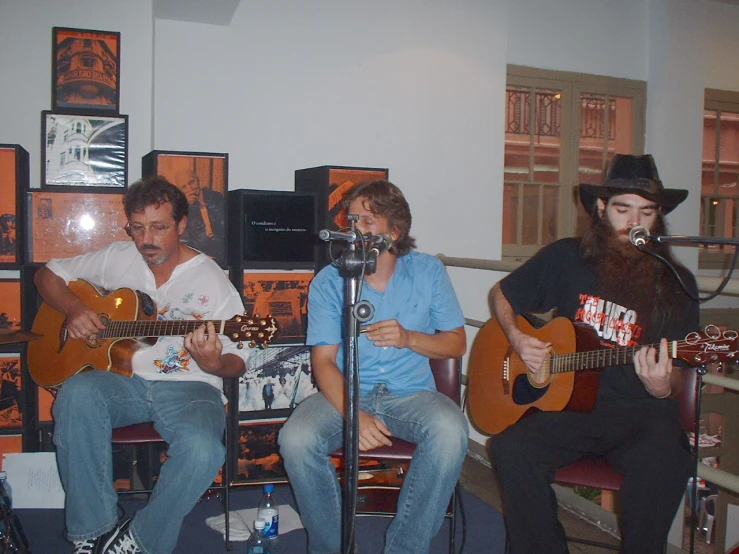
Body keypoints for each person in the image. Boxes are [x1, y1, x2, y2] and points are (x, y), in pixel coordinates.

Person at [488, 154, 699, 553]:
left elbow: (680, 373)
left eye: (646, 211)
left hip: (641, 414)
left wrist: (661, 386)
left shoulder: (677, 282)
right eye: (623, 209)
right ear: (601, 209)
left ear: (658, 217)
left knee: (667, 460)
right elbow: (503, 293)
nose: (634, 223)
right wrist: (516, 337)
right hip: (570, 407)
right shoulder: (566, 257)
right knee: (510, 447)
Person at [34, 176, 249, 554]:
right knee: (76, 395)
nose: (146, 240)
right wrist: (75, 309)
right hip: (123, 381)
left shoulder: (213, 282)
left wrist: (215, 363)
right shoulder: (118, 256)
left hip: (191, 387)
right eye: (137, 228)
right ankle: (92, 531)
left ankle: (139, 539)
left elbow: (239, 362)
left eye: (159, 227)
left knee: (204, 451)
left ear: (182, 226)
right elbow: (46, 275)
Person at [279, 179, 469, 554]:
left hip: (410, 395)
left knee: (450, 431)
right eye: (351, 219)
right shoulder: (330, 281)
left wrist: (410, 338)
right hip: (349, 391)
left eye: (367, 221)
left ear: (393, 231)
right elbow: (323, 362)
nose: (354, 229)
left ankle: (405, 548)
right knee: (295, 439)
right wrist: (355, 415)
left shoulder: (428, 272)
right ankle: (331, 547)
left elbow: (457, 341)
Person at [173, 169, 226, 267]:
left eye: (191, 182)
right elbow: (182, 236)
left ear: (198, 180)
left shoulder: (216, 197)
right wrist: (187, 208)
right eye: (184, 187)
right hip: (200, 256)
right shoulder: (181, 207)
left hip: (221, 251)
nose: (190, 189)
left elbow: (225, 227)